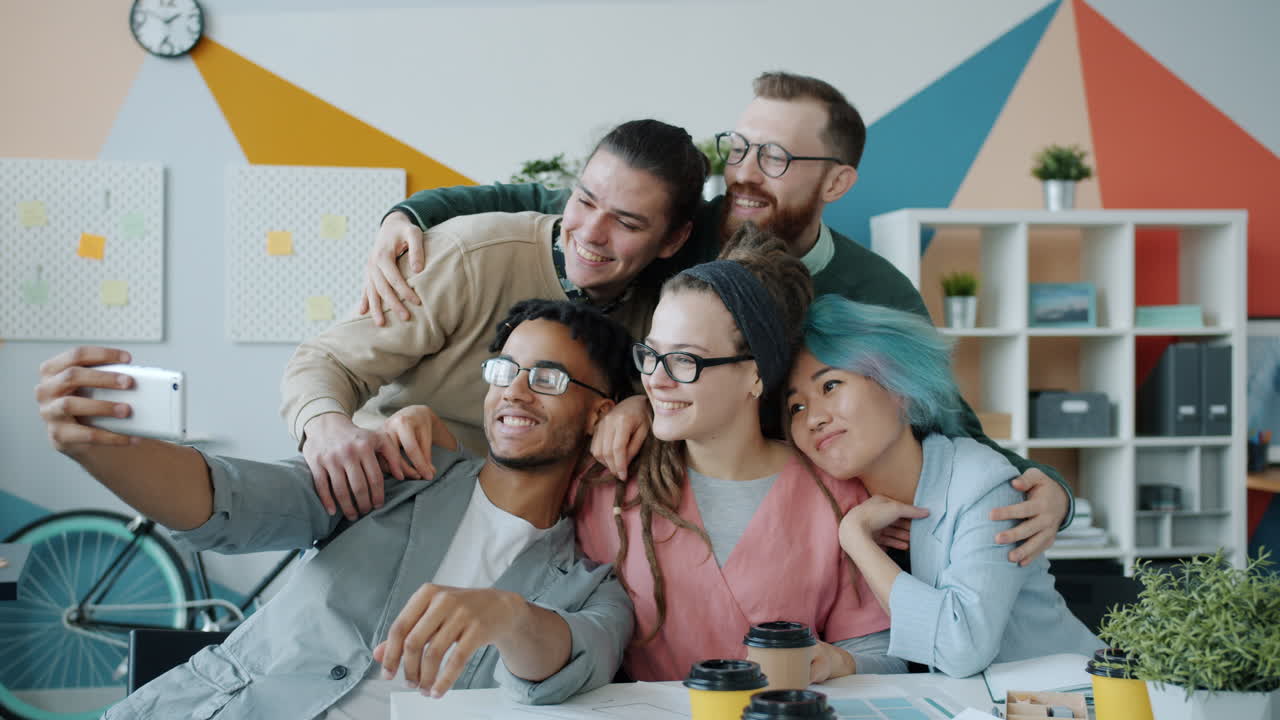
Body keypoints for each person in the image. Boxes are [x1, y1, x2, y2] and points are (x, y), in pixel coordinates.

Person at [354, 70, 1072, 564]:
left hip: (796, 509)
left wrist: (1051, 491)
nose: (745, 172)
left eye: (776, 156)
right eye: (740, 147)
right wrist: (408, 214)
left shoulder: (874, 289)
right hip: (637, 497)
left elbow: (947, 419)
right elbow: (542, 202)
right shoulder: (675, 226)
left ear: (837, 181)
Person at [34, 299, 637, 718]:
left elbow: (574, 660)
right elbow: (233, 501)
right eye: (504, 370)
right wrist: (99, 448)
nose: (515, 391)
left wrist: (505, 616)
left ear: (599, 412)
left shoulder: (589, 586)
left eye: (549, 379)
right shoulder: (403, 471)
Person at [281, 119, 707, 521]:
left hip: (529, 529)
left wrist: (646, 405)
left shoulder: (665, 318)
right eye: (584, 201)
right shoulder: (469, 256)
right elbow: (328, 361)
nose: (592, 233)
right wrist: (326, 427)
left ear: (673, 239)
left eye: (626, 223)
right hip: (388, 499)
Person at [571, 224, 901, 681]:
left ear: (755, 375)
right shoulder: (609, 483)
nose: (656, 380)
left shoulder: (835, 496)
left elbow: (880, 652)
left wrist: (837, 662)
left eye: (684, 360)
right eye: (651, 354)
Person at [786, 296, 1104, 678]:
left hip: (1077, 695)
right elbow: (897, 656)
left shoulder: (982, 484)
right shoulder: (838, 501)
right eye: (796, 407)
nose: (814, 418)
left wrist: (856, 540)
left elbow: (960, 649)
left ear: (897, 386)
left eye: (830, 385)